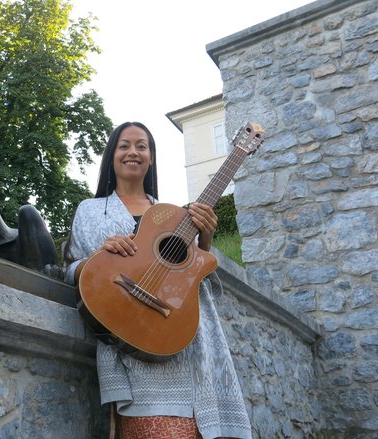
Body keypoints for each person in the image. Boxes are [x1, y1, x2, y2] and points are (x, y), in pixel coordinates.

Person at [64, 122, 251, 439]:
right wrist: (99, 258)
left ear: (151, 158)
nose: (133, 152)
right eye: (124, 145)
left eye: (142, 146)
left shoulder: (172, 216)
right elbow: (69, 269)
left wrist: (204, 242)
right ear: (112, 155)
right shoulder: (90, 210)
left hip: (181, 341)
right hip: (128, 340)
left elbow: (190, 281)